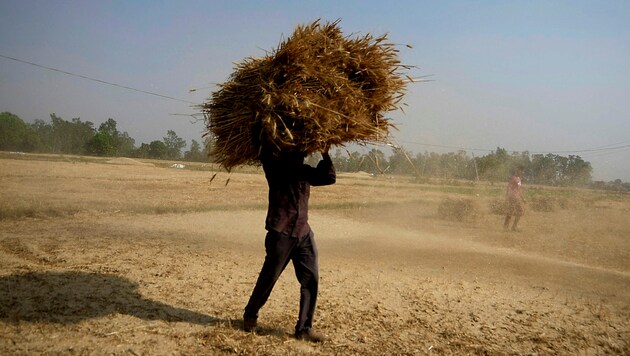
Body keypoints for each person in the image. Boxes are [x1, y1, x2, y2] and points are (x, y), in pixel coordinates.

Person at [243, 148, 336, 343]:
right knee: (269, 277)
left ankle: (304, 328)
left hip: (303, 233)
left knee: (311, 279)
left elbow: (329, 177)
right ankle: (250, 315)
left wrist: (325, 153)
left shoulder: (305, 172)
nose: (301, 156)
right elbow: (264, 151)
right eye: (297, 152)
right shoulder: (275, 169)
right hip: (281, 233)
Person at [504, 165, 526, 231]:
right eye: (521, 170)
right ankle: (509, 227)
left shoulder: (519, 179)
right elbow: (508, 187)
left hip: (517, 198)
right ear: (518, 170)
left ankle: (509, 227)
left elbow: (519, 190)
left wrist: (523, 198)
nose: (522, 172)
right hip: (512, 197)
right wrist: (507, 196)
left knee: (516, 211)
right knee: (514, 211)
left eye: (522, 171)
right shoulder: (513, 178)